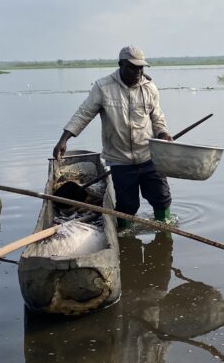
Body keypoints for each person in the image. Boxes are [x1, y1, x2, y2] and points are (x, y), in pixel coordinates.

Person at [53, 46, 174, 227]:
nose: (137, 72)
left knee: (161, 198)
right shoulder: (103, 87)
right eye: (132, 67)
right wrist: (64, 140)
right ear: (121, 64)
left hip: (149, 156)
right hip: (120, 159)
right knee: (127, 205)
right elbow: (84, 114)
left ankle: (165, 231)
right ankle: (124, 231)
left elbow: (157, 118)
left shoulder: (150, 88)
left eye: (141, 68)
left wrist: (163, 133)